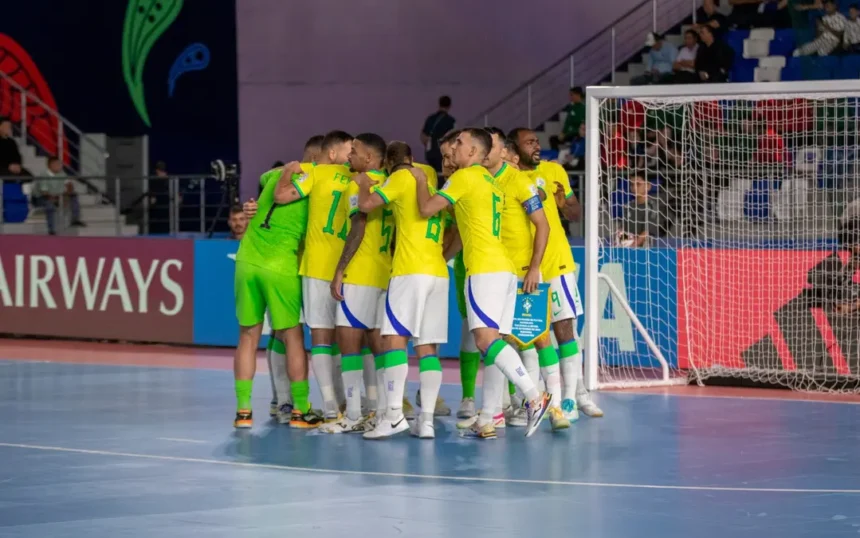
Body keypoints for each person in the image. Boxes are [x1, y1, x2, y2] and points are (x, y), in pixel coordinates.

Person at [414, 128, 551, 440]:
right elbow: (463, 213)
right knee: (496, 345)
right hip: (503, 268)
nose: (453, 149)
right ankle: (488, 417)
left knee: (485, 341)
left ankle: (534, 396)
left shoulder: (464, 178)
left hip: (484, 269)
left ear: (474, 153)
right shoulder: (490, 182)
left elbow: (425, 209)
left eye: (459, 144)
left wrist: (421, 182)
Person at [466, 127, 569, 434]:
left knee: (541, 338)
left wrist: (535, 267)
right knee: (498, 342)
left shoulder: (520, 182)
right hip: (499, 274)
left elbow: (544, 226)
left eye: (493, 147)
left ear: (506, 154)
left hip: (525, 272)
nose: (486, 152)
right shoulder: (483, 182)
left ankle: (556, 407)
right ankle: (492, 415)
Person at [354, 141, 452, 439]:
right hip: (438, 270)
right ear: (412, 157)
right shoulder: (432, 180)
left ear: (387, 163)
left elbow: (366, 205)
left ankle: (394, 415)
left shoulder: (400, 177)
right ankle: (427, 422)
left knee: (394, 340)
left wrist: (362, 186)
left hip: (410, 270)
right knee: (428, 348)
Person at [509, 127, 604, 420]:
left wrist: (566, 205)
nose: (537, 146)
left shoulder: (554, 170)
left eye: (538, 141)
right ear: (514, 149)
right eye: (529, 143)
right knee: (529, 336)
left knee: (565, 329)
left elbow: (575, 213)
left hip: (558, 263)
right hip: (524, 270)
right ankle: (531, 399)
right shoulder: (508, 179)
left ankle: (574, 399)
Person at [232, 161, 319, 429]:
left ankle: (243, 412)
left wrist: (254, 205)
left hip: (247, 261)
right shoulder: (316, 183)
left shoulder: (271, 177)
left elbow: (263, 177)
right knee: (292, 337)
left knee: (248, 336)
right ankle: (300, 410)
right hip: (282, 266)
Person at [274, 131, 355, 422]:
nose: (352, 155)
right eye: (349, 149)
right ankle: (356, 405)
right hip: (351, 268)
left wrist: (287, 171)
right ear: (332, 153)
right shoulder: (359, 176)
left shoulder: (314, 173)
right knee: (351, 339)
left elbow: (281, 195)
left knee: (320, 337)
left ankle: (331, 406)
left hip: (317, 266)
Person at [320, 133, 390, 434]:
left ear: (370, 159)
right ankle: (383, 411)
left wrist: (339, 270)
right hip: (384, 273)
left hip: (359, 275)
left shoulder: (357, 185)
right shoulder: (391, 184)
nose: (350, 156)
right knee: (380, 346)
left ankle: (353, 415)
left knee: (348, 345)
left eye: (356, 152)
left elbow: (358, 228)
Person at [31, 156, 85, 234]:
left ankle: (75, 219)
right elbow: (44, 193)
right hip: (40, 198)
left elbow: (69, 185)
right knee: (49, 205)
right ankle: (51, 230)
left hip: (56, 196)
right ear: (50, 165)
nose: (59, 166)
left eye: (59, 164)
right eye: (57, 164)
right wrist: (57, 200)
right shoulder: (44, 175)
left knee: (74, 196)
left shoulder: (62, 173)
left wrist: (67, 194)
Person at [617, 175, 661, 248]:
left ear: (648, 186)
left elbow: (646, 233)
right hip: (627, 247)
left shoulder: (652, 207)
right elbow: (622, 229)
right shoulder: (628, 206)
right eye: (632, 185)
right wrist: (623, 241)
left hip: (646, 250)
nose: (634, 188)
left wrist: (632, 247)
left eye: (638, 184)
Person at [420, 96, 456, 173]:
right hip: (443, 154)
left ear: (439, 104)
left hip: (430, 154)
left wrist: (429, 146)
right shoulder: (451, 121)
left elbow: (423, 136)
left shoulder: (430, 119)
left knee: (433, 174)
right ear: (450, 105)